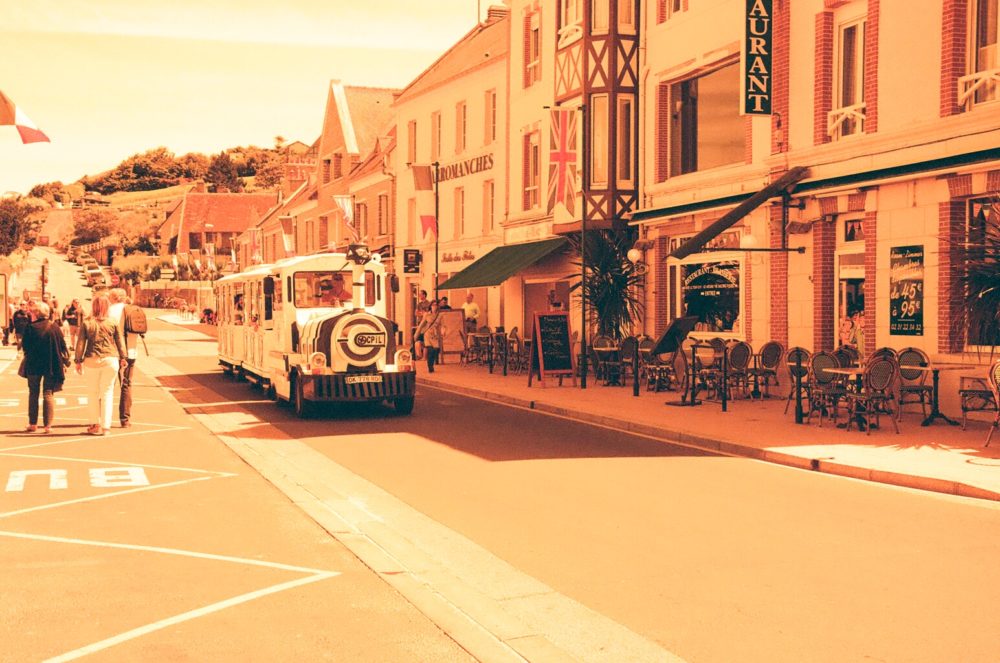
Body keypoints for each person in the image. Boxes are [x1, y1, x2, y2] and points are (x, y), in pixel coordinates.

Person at [74, 295, 126, 436]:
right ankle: (106, 427)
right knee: (107, 393)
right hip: (110, 359)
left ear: (94, 307)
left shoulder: (87, 323)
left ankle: (94, 425)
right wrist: (123, 357)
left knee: (92, 393)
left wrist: (78, 360)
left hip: (91, 360)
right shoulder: (113, 322)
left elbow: (80, 343)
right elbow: (120, 341)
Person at [20, 301, 69, 434]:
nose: (30, 314)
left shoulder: (30, 328)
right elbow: (63, 346)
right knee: (48, 393)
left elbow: (25, 346)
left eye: (32, 311)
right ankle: (48, 426)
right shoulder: (54, 327)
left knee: (33, 393)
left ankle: (33, 424)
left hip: (33, 364)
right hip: (51, 364)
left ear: (36, 313)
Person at [108, 288, 135, 428]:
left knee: (107, 385)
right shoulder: (132, 309)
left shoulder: (109, 310)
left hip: (112, 351)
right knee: (126, 384)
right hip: (131, 351)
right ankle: (125, 419)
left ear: (113, 298)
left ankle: (103, 417)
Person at [415, 299, 444, 373]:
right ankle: (430, 366)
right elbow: (421, 325)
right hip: (427, 334)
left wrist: (443, 331)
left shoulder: (440, 315)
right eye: (433, 305)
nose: (434, 306)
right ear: (430, 306)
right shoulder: (427, 314)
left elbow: (443, 325)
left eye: (436, 305)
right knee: (430, 350)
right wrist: (416, 335)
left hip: (435, 335)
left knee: (435, 351)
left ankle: (432, 363)